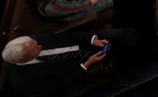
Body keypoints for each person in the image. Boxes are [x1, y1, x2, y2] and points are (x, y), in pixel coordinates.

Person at [2, 29, 136, 96]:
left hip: (86, 42)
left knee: (126, 33)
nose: (40, 46)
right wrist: (87, 64)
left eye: (36, 43)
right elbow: (59, 86)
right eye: (34, 49)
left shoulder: (34, 40)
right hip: (83, 64)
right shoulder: (23, 83)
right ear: (20, 60)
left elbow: (69, 36)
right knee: (123, 51)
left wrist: (93, 40)